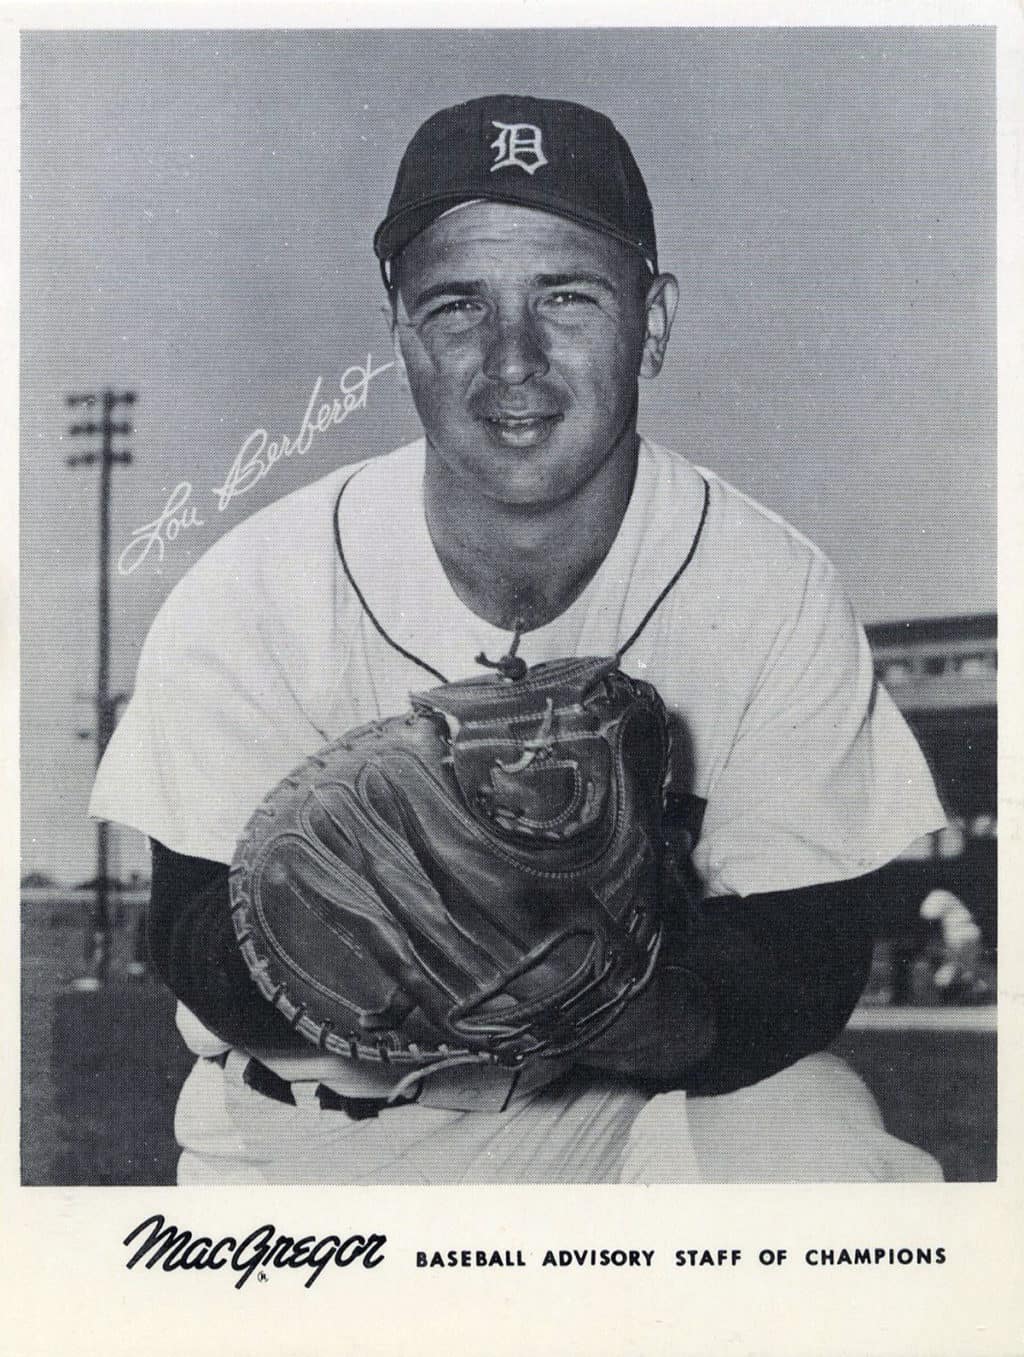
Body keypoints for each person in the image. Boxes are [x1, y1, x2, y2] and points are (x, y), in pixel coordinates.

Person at [91, 94, 946, 1184]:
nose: (513, 358)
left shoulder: (769, 586)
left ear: (656, 320)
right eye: (457, 306)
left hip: (620, 1116)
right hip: (301, 1133)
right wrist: (413, 941)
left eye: (568, 297)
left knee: (830, 1167)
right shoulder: (256, 587)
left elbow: (810, 962)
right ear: (400, 336)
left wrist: (613, 993)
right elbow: (191, 938)